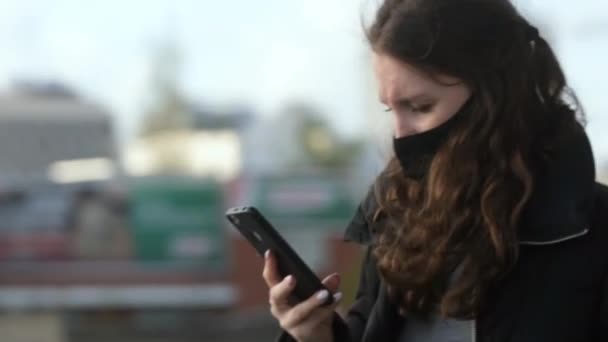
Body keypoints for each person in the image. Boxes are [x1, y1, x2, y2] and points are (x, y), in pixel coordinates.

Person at [263, 0, 608, 341]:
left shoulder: (595, 234)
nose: (400, 133)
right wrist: (316, 335)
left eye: (420, 106)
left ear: (496, 97)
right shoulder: (395, 212)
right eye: (390, 110)